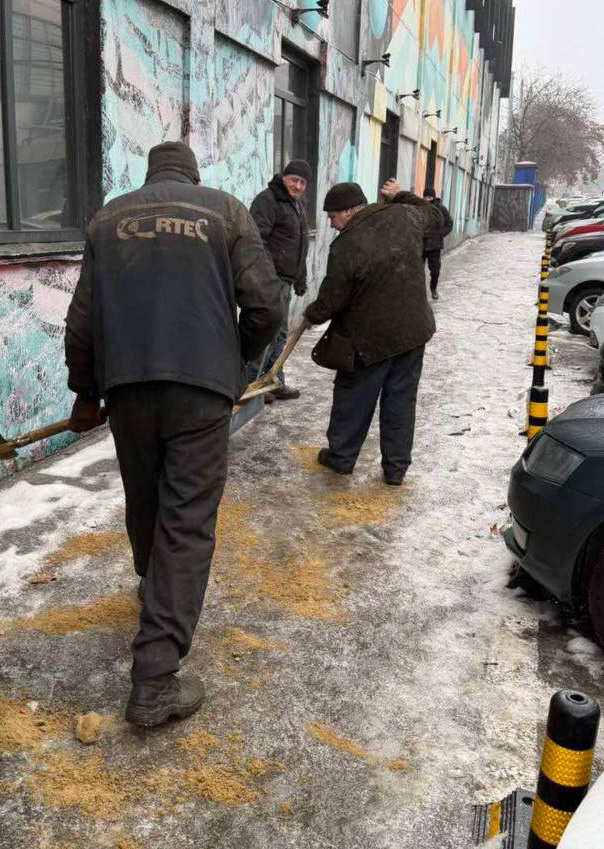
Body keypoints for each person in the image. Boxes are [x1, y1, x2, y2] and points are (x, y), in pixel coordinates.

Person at [64, 141, 283, 728]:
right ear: (192, 175)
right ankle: (156, 680)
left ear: (150, 175)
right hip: (200, 392)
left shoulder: (108, 218)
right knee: (186, 521)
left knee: (146, 499)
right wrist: (235, 364)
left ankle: (152, 586)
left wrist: (85, 392)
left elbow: (82, 320)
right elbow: (267, 306)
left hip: (128, 388)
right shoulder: (225, 211)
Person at [304, 180, 435, 485]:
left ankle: (341, 458)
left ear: (349, 211)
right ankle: (396, 469)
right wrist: (401, 196)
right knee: (401, 402)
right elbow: (438, 218)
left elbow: (333, 299)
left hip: (369, 339)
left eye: (332, 217)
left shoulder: (347, 244)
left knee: (353, 399)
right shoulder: (405, 214)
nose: (331, 224)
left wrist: (312, 314)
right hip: (413, 332)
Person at [248, 160, 311, 400]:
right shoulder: (268, 200)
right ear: (283, 177)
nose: (298, 186)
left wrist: (300, 277)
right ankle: (252, 386)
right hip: (270, 281)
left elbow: (300, 243)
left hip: (285, 281)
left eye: (303, 182)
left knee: (280, 334)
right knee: (266, 333)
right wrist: (268, 276)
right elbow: (256, 240)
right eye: (294, 179)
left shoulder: (296, 204)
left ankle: (273, 381)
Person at [421, 186, 453, 299]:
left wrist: (440, 234)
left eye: (429, 197)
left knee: (435, 271)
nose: (427, 199)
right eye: (425, 197)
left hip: (435, 246)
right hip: (421, 244)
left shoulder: (441, 209)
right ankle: (420, 292)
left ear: (433, 197)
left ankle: (433, 288)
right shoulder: (420, 207)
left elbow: (449, 224)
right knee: (418, 271)